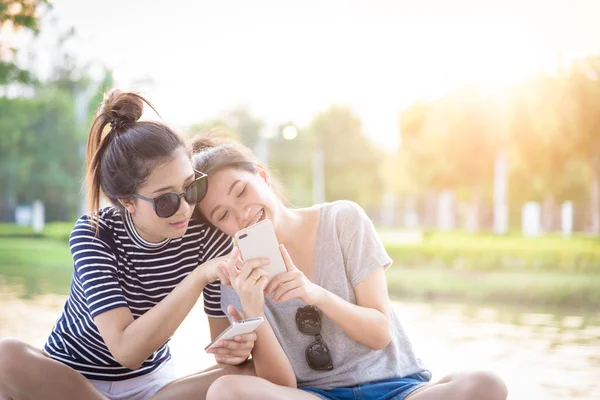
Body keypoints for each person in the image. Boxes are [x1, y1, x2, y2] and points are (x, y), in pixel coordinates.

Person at [189, 136, 509, 400]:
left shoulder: (343, 220)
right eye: (223, 215)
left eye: (241, 191)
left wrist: (317, 294)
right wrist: (254, 310)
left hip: (398, 389)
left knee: (485, 385)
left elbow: (379, 332)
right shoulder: (233, 277)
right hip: (316, 396)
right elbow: (281, 387)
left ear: (261, 175)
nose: (242, 214)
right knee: (225, 391)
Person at [0, 91, 264, 400]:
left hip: (154, 387)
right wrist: (199, 276)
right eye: (166, 199)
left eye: (191, 187)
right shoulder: (94, 233)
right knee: (6, 356)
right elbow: (126, 350)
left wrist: (236, 346)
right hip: (72, 382)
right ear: (128, 202)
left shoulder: (205, 232)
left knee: (252, 373)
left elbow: (222, 348)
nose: (185, 209)